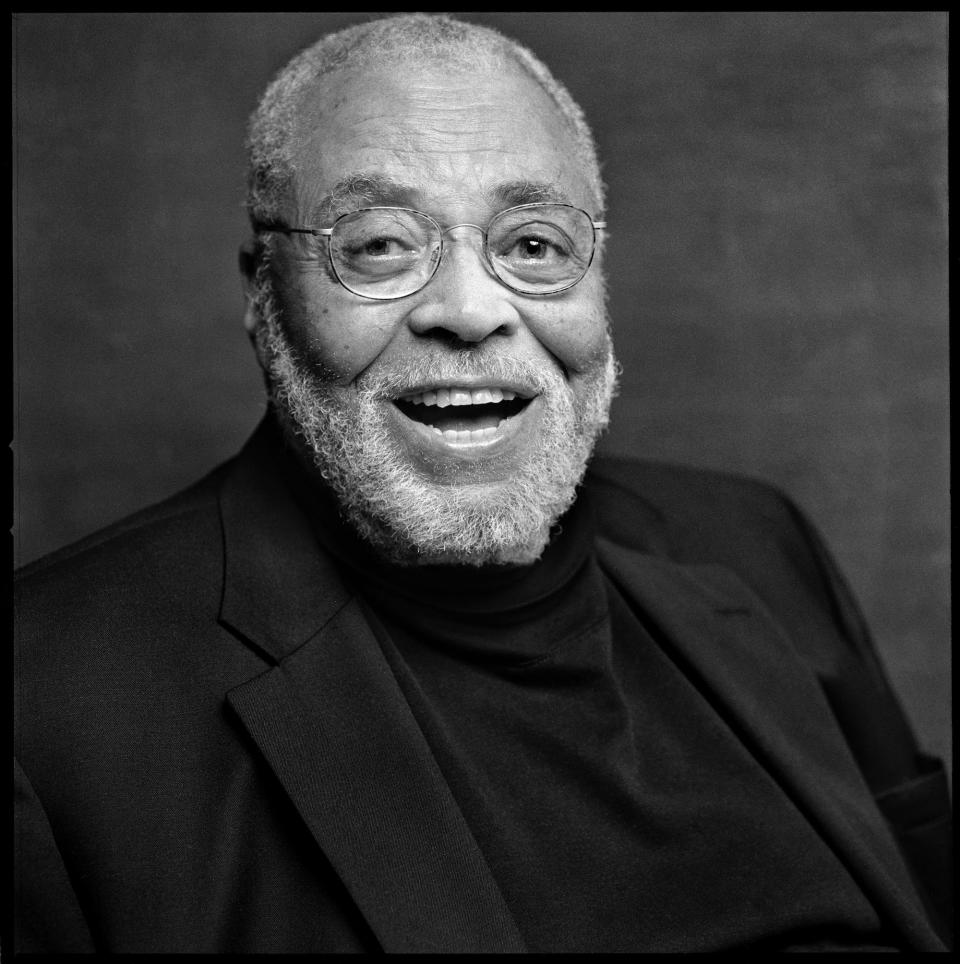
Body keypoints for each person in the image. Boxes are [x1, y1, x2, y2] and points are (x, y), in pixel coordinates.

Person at [14, 13, 951, 954]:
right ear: (263, 295)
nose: (469, 311)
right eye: (378, 244)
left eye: (533, 245)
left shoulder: (756, 544)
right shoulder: (51, 704)